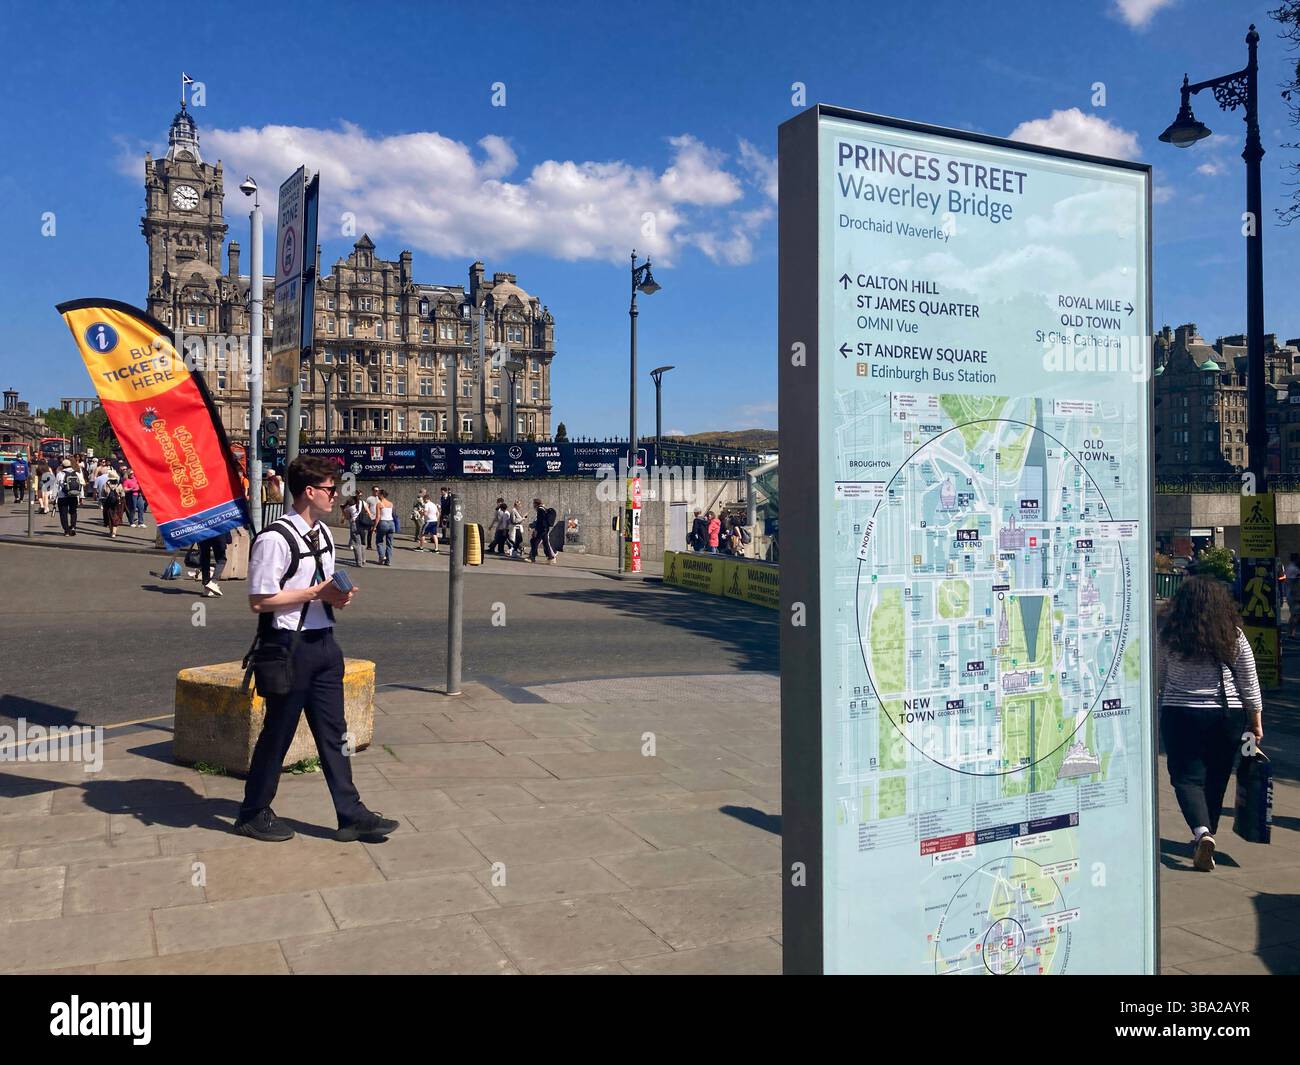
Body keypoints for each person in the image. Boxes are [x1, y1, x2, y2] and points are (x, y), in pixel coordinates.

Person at [235, 455, 398, 844]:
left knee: (334, 734)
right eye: (329, 489)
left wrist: (336, 598)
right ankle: (252, 812)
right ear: (309, 492)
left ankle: (350, 814)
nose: (336, 497)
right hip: (288, 647)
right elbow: (259, 600)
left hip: (325, 644)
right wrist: (315, 594)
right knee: (279, 733)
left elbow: (322, 586)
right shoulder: (274, 539)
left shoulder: (323, 534)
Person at [1156, 576, 1263, 872]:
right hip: (1227, 714)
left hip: (1181, 713)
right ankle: (1207, 835)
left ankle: (1202, 832)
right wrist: (1256, 721)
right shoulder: (1234, 634)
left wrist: (1155, 715)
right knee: (1217, 776)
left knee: (1186, 777)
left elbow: (1159, 678)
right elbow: (1248, 681)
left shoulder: (1169, 635)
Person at [197, 530, 229, 597]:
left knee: (205, 559)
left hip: (203, 533)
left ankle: (206, 588)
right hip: (218, 532)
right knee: (221, 559)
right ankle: (213, 582)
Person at [56, 458, 81, 536]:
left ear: (62, 466)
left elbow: (56, 486)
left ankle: (66, 530)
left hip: (62, 496)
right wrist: (80, 496)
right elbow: (80, 485)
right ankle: (73, 527)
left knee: (63, 513)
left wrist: (54, 497)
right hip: (74, 495)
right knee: (73, 512)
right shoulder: (77, 473)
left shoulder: (60, 474)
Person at [529, 497, 557, 563]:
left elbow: (540, 521)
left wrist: (536, 530)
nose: (533, 505)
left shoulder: (540, 509)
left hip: (541, 529)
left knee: (535, 542)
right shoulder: (544, 509)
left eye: (533, 503)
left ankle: (532, 557)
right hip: (545, 529)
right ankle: (551, 557)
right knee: (545, 543)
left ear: (536, 504)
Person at [342, 494, 365, 567]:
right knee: (362, 543)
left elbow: (347, 517)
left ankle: (359, 562)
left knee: (356, 544)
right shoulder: (361, 504)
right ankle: (363, 560)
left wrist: (342, 509)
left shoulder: (349, 508)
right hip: (362, 525)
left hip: (354, 524)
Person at [102, 470, 126, 538]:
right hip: (117, 504)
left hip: (108, 503)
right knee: (116, 517)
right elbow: (123, 495)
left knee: (109, 518)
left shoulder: (106, 484)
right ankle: (114, 532)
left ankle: (111, 531)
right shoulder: (119, 485)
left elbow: (103, 494)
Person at [374, 488, 395, 566]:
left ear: (381, 495)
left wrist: (374, 527)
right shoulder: (391, 504)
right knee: (389, 543)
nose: (377, 495)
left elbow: (378, 517)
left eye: (379, 494)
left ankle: (382, 556)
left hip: (383, 523)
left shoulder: (379, 504)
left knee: (379, 541)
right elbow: (391, 514)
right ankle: (388, 561)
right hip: (391, 523)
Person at [1286, 553, 1300, 639]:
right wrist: (1296, 595)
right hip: (1295, 595)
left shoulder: (1289, 568)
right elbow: (1292, 583)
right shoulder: (1294, 569)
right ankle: (1291, 632)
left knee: (1293, 614)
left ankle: (1291, 632)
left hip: (1291, 594)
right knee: (1296, 614)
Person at [362, 485, 381, 550]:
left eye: (378, 491)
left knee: (379, 532)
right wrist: (367, 514)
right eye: (375, 490)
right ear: (372, 491)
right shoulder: (369, 498)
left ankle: (379, 545)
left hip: (378, 518)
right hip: (371, 517)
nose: (377, 492)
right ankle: (369, 545)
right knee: (370, 532)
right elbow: (366, 507)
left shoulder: (379, 499)